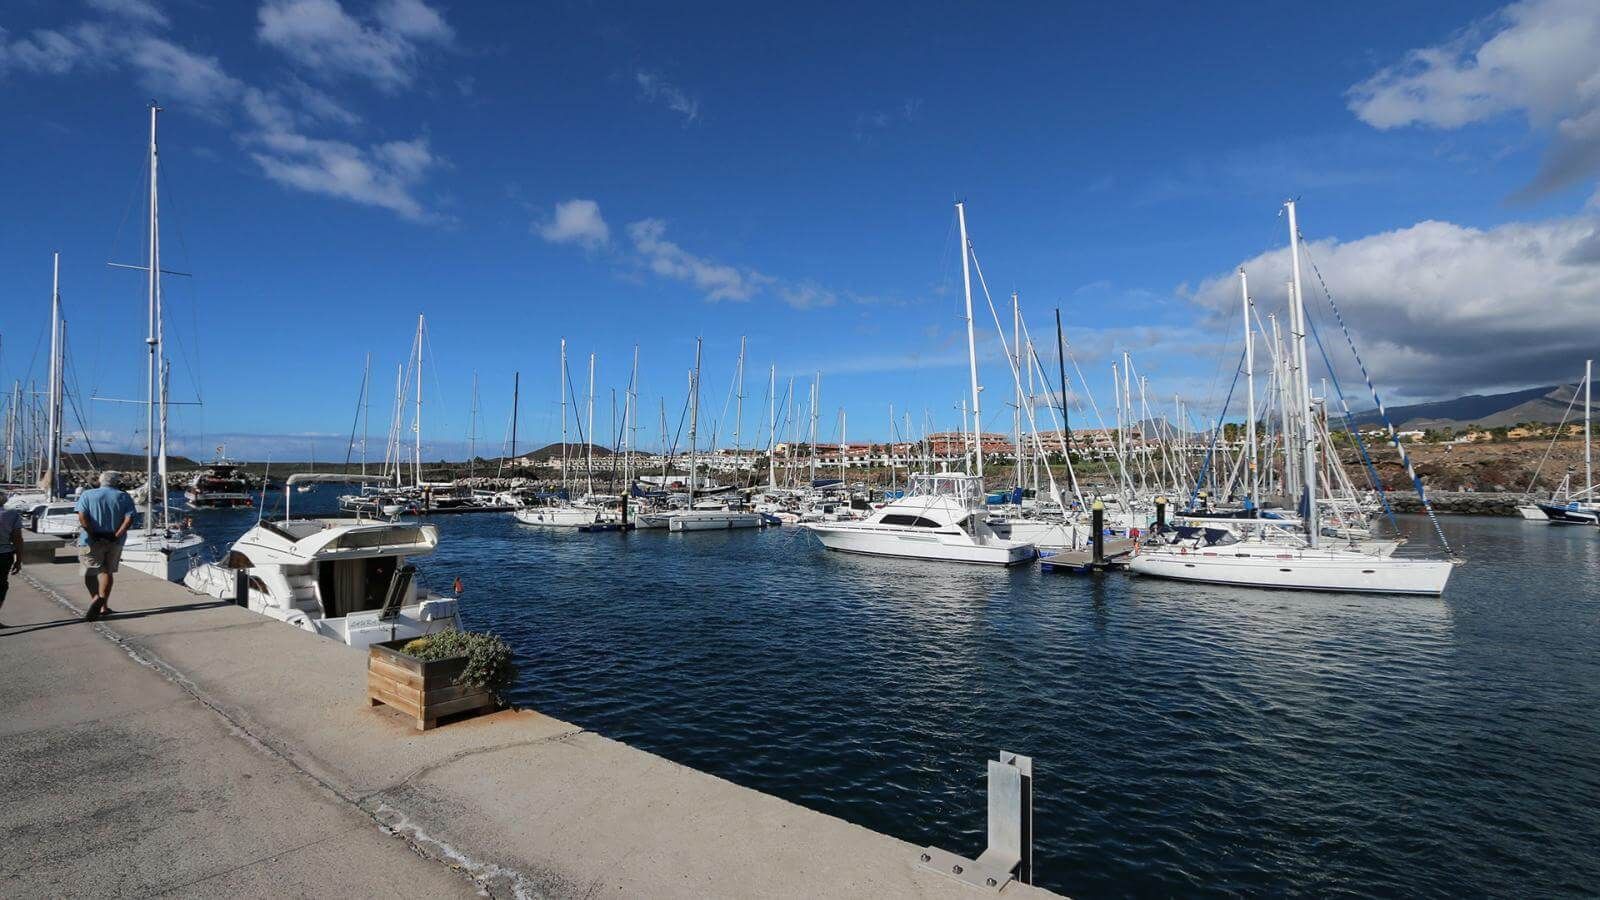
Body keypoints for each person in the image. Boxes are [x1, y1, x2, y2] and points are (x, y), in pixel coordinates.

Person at [75, 471, 137, 621]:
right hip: (115, 541)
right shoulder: (124, 496)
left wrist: (93, 534)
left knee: (89, 573)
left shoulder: (87, 495)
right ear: (116, 482)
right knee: (107, 572)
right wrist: (116, 536)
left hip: (90, 540)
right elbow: (129, 519)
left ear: (100, 481)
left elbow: (82, 517)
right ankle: (103, 606)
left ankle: (96, 598)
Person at [0, 492, 23, 628]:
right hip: (3, 554)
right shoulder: (12, 515)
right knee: (1, 585)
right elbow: (17, 539)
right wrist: (19, 560)